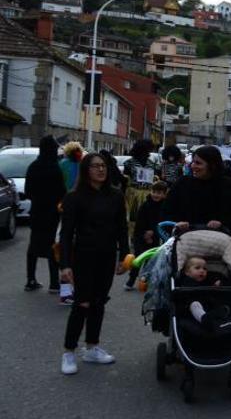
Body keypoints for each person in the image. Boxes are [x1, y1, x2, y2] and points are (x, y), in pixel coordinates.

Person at [59, 152, 130, 375]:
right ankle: (69, 351)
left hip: (107, 256)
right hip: (83, 257)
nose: (101, 170)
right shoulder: (74, 197)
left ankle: (91, 347)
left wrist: (125, 256)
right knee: (82, 304)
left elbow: (122, 228)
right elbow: (66, 234)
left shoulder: (116, 196)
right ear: (86, 170)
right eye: (95, 166)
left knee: (99, 303)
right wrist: (65, 264)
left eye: (104, 166)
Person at [162, 146, 231, 234]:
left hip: (220, 241)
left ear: (212, 165)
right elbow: (167, 210)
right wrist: (177, 224)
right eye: (193, 162)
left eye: (198, 163)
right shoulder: (182, 184)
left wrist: (223, 224)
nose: (193, 166)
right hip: (184, 240)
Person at [24, 135, 66, 293]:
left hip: (36, 212)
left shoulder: (33, 166)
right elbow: (62, 192)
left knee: (33, 247)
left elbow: (28, 191)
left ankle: (30, 280)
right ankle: (54, 284)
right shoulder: (56, 168)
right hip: (52, 214)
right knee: (52, 247)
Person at [126, 181, 168, 290]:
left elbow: (162, 221)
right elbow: (139, 221)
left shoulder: (165, 207)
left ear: (164, 194)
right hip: (141, 236)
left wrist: (153, 232)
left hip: (154, 237)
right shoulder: (145, 205)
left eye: (159, 193)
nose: (156, 195)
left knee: (150, 260)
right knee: (139, 257)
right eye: (154, 192)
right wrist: (145, 233)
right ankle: (131, 279)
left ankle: (144, 280)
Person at [177, 256, 231, 332]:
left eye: (204, 269)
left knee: (223, 306)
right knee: (194, 305)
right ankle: (204, 319)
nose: (202, 271)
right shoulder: (186, 282)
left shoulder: (208, 280)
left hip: (209, 307)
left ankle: (217, 314)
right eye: (197, 268)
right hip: (194, 307)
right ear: (187, 272)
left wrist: (216, 286)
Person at [123, 140, 159, 238]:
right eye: (144, 150)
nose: (147, 153)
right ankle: (132, 237)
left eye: (148, 151)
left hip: (148, 193)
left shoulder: (151, 163)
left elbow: (155, 177)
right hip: (133, 194)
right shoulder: (129, 163)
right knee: (133, 218)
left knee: (147, 217)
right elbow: (125, 179)